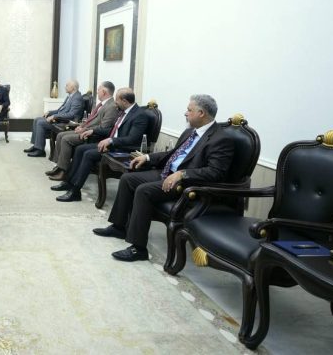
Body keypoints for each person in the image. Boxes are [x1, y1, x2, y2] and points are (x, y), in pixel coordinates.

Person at [94, 94, 235, 262]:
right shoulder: (190, 132)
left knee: (143, 190)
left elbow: (215, 172)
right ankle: (119, 227)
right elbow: (172, 154)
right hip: (167, 173)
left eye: (189, 110)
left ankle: (138, 248)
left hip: (187, 184)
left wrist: (182, 174)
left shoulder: (221, 139)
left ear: (201, 113)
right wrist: (147, 157)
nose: (185, 113)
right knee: (128, 179)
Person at [53, 87, 149, 202]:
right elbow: (112, 129)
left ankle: (75, 191)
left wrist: (111, 141)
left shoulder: (140, 115)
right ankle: (69, 182)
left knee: (88, 154)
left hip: (123, 149)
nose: (115, 102)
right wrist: (93, 131)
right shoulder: (122, 111)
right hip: (112, 144)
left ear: (124, 101)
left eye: (117, 100)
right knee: (80, 149)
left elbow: (132, 139)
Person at [45, 81, 118, 180]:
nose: (97, 92)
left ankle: (63, 171)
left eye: (98, 90)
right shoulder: (102, 104)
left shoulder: (111, 106)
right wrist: (81, 126)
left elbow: (103, 127)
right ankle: (59, 166)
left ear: (104, 92)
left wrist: (85, 129)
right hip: (85, 129)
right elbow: (91, 120)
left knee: (66, 139)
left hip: (93, 135)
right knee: (60, 135)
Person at [25, 79, 84, 157]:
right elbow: (60, 110)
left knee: (40, 122)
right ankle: (36, 146)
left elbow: (71, 115)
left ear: (73, 88)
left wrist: (55, 116)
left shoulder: (77, 98)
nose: (65, 87)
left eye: (67, 85)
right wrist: (50, 112)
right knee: (37, 119)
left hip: (67, 123)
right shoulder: (70, 96)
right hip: (60, 119)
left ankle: (40, 150)